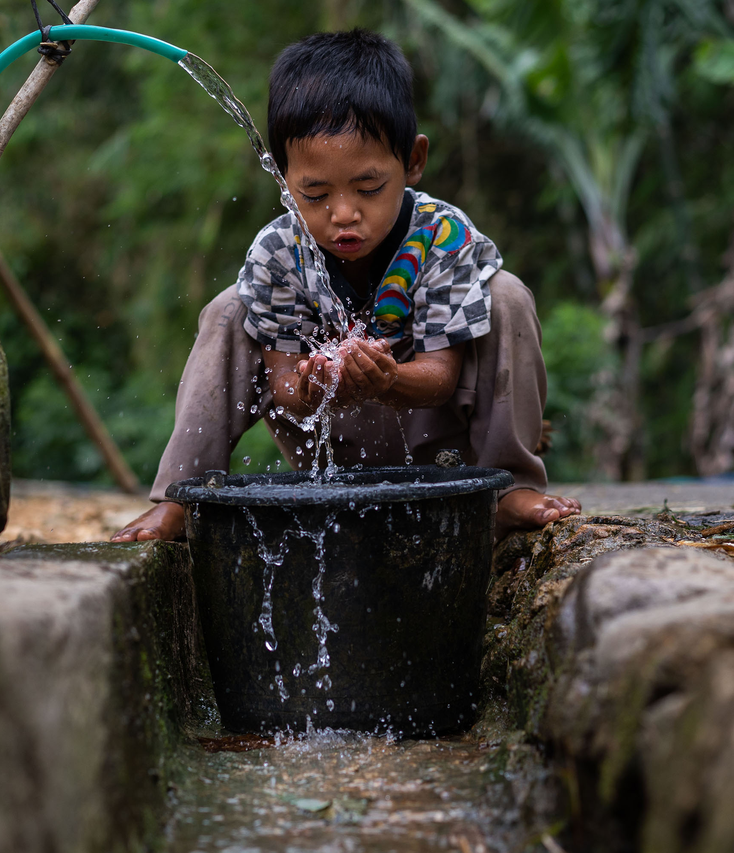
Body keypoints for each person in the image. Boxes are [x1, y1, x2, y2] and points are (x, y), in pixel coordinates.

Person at [112, 29, 580, 544]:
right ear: (283, 178)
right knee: (227, 310)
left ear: (414, 161)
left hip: (440, 448)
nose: (343, 214)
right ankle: (183, 497)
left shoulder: (443, 238)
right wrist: (309, 389)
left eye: (368, 188)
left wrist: (388, 380)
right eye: (314, 194)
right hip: (334, 452)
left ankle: (508, 489)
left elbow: (441, 378)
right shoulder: (278, 254)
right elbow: (286, 387)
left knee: (506, 294)